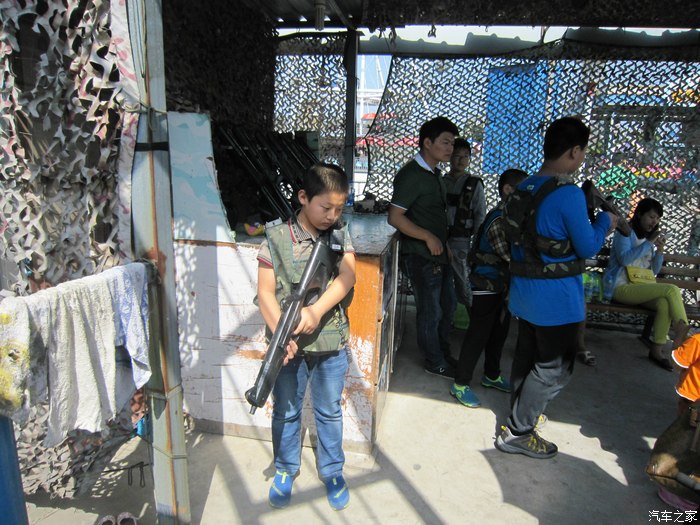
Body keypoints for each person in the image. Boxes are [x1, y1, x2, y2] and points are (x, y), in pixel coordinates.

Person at [495, 116, 617, 459]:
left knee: (526, 358)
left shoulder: (524, 187)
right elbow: (588, 245)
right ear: (574, 151)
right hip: (556, 302)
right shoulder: (568, 194)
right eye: (583, 151)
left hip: (524, 294)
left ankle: (519, 414)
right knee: (554, 369)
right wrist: (606, 221)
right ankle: (519, 431)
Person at [256, 163, 356, 510]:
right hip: (288, 346)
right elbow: (265, 293)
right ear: (303, 197)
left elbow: (348, 276)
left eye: (339, 209)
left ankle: (332, 471)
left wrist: (316, 312)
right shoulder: (275, 237)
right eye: (325, 207)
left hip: (330, 343)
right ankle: (285, 468)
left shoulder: (340, 233)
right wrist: (280, 337)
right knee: (286, 410)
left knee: (329, 411)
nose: (332, 216)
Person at [388, 116, 459, 378]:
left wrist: (443, 243)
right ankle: (434, 361)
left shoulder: (435, 174)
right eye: (445, 142)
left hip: (439, 254)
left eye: (452, 143)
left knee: (448, 307)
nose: (450, 148)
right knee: (431, 311)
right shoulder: (411, 175)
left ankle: (442, 352)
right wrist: (428, 237)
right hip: (420, 256)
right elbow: (395, 217)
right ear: (427, 143)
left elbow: (433, 215)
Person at [450, 168, 527, 408]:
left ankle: (491, 375)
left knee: (499, 334)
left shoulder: (512, 218)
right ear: (508, 190)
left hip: (501, 286)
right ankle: (460, 383)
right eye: (523, 190)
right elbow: (510, 257)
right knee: (478, 336)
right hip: (485, 285)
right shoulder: (498, 220)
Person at [604, 198, 689, 371]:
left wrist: (659, 250)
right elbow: (625, 259)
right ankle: (682, 330)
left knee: (664, 303)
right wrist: (649, 242)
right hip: (620, 287)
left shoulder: (648, 239)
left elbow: (654, 271)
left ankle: (656, 350)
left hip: (640, 287)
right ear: (639, 214)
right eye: (651, 217)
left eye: (657, 218)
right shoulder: (625, 233)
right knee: (671, 289)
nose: (654, 222)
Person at [444, 138, 486, 308]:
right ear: (449, 157)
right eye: (457, 156)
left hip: (462, 242)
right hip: (440, 241)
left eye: (465, 156)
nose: (461, 160)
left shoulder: (474, 184)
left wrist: (476, 244)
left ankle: (471, 315)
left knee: (463, 282)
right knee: (443, 282)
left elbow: (480, 215)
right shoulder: (442, 181)